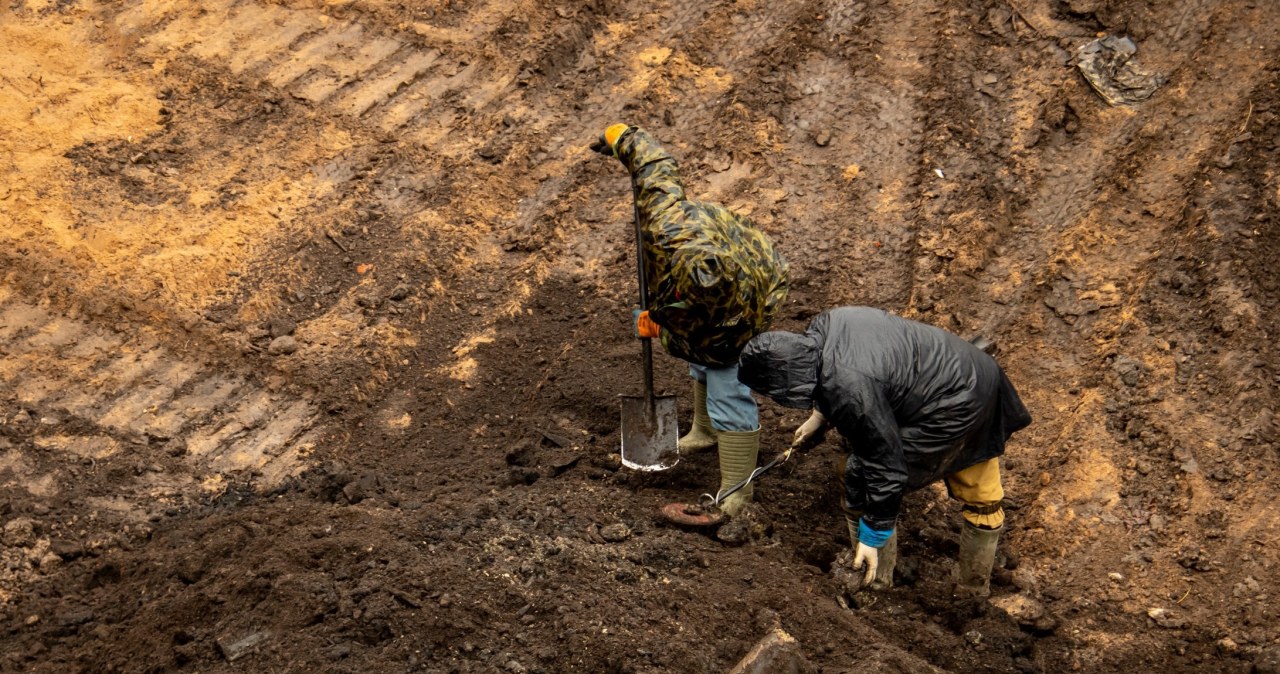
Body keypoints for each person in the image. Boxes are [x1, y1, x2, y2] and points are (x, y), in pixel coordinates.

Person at [737, 306, 1032, 596]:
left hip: (954, 405)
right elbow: (851, 371)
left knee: (861, 474)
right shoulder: (827, 323)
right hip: (970, 371)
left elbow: (886, 466)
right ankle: (972, 590)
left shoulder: (851, 391)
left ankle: (879, 583)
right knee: (982, 492)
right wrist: (819, 418)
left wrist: (872, 535)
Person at [590, 123, 789, 517]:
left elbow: (702, 343)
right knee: (701, 361)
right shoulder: (669, 225)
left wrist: (661, 329)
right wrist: (624, 138)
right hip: (727, 250)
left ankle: (736, 491)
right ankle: (705, 430)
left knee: (725, 383)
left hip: (760, 284)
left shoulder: (734, 315)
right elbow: (656, 167)